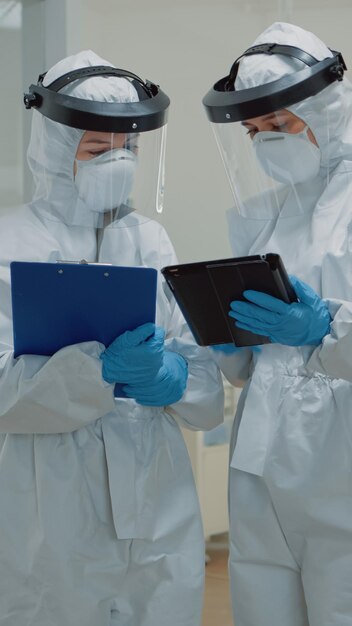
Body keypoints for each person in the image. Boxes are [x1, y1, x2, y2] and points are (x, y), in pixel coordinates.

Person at [0, 50, 224, 626]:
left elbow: (195, 363)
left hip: (155, 482)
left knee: (162, 603)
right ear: (53, 148)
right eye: (98, 150)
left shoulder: (150, 239)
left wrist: (173, 379)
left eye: (127, 150)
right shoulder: (9, 241)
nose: (116, 163)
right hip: (48, 486)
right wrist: (90, 372)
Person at [203, 21, 352, 626]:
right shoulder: (262, 218)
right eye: (254, 130)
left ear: (323, 109)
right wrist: (223, 336)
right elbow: (252, 367)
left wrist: (330, 330)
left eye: (280, 124)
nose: (266, 140)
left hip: (341, 463)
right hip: (261, 460)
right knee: (262, 604)